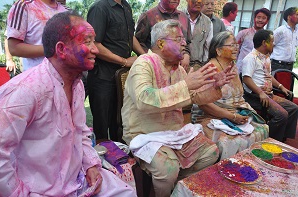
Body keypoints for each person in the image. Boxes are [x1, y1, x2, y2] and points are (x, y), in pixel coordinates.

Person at [0, 11, 136, 197]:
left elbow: (80, 132)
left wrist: (90, 165)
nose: (95, 49)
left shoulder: (77, 84)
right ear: (61, 49)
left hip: (76, 181)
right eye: (87, 41)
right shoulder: (25, 91)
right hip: (36, 190)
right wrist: (19, 193)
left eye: (93, 41)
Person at [122, 20, 234, 197]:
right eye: (179, 39)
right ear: (160, 43)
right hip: (144, 134)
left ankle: (177, 188)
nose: (185, 43)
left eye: (184, 39)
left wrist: (215, 87)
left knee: (211, 152)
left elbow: (194, 97)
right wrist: (185, 85)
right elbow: (143, 100)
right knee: (168, 168)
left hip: (173, 133)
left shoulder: (178, 69)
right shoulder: (144, 63)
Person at [197, 31, 269, 159]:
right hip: (212, 116)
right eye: (232, 45)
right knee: (230, 141)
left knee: (263, 129)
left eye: (237, 45)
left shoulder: (232, 66)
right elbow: (204, 104)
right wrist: (231, 116)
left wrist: (239, 115)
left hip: (237, 113)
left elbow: (238, 96)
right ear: (218, 50)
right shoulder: (210, 69)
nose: (236, 48)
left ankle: (247, 166)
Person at [86, 0, 145, 140]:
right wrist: (124, 61)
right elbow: (94, 44)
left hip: (122, 76)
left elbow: (130, 36)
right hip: (102, 76)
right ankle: (100, 159)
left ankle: (119, 157)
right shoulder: (99, 8)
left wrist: (144, 56)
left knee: (119, 122)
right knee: (102, 125)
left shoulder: (126, 6)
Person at [242, 29, 298, 142]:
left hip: (268, 95)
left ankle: (281, 138)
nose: (274, 44)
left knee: (293, 108)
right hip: (255, 96)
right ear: (264, 43)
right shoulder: (250, 58)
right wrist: (261, 93)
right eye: (272, 41)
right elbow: (246, 79)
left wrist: (281, 86)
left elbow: (268, 76)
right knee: (281, 115)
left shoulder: (266, 57)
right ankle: (268, 140)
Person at [6, 0, 68, 71]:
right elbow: (14, 48)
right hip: (37, 77)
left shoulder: (67, 11)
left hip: (68, 78)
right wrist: (53, 50)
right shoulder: (23, 6)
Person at [135, 0, 191, 70]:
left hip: (179, 68)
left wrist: (186, 55)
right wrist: (150, 59)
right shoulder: (148, 16)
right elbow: (138, 42)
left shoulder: (184, 18)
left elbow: (188, 42)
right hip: (155, 68)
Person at [236, 8, 271, 73]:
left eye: (264, 18)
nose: (260, 20)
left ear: (267, 21)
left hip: (257, 70)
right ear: (254, 18)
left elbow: (267, 54)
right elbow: (235, 49)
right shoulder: (244, 33)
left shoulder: (268, 37)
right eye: (258, 17)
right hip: (241, 69)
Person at [185, 0, 213, 69]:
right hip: (177, 65)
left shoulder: (207, 22)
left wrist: (204, 66)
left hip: (197, 66)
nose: (199, 1)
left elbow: (207, 47)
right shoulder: (178, 17)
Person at [270, 7, 298, 71]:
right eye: (297, 14)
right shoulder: (280, 30)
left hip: (290, 66)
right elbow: (270, 45)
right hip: (277, 65)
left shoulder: (297, 31)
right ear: (289, 17)